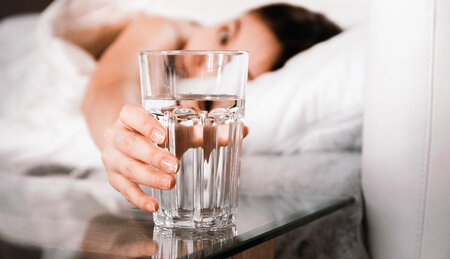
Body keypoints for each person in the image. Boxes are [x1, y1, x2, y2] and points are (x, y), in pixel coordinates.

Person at [81, 3, 341, 213]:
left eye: (233, 69)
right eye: (225, 36)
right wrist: (123, 134)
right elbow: (110, 84)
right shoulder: (163, 28)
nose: (207, 58)